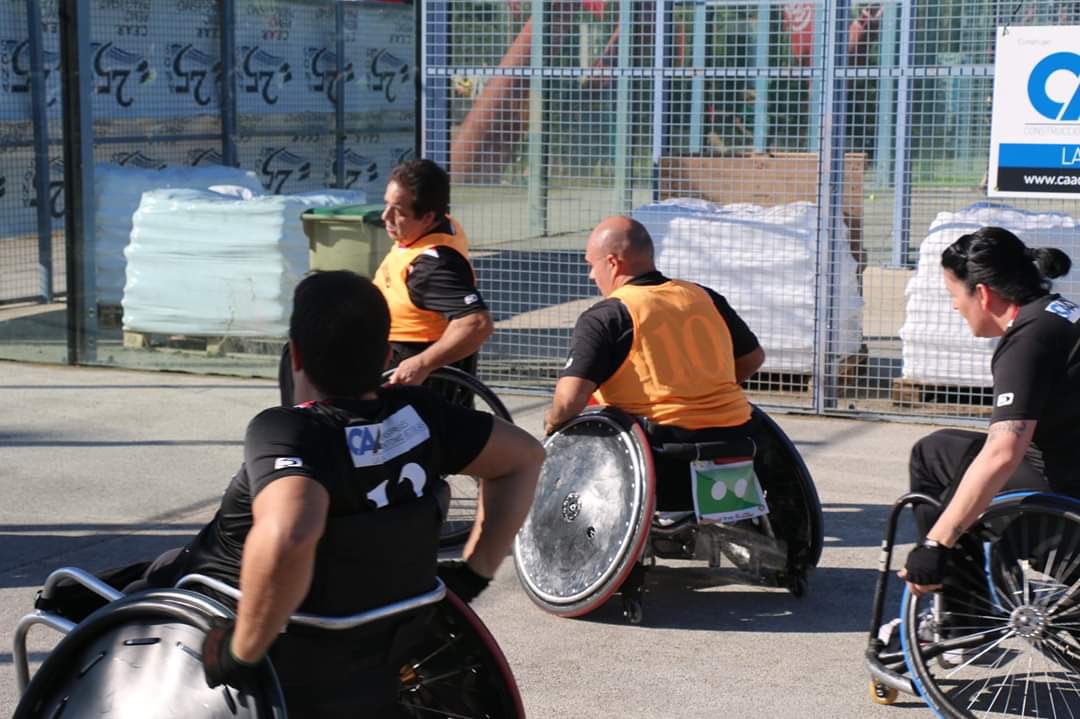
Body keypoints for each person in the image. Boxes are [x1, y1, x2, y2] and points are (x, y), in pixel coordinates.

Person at [146, 270, 541, 716]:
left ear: (294, 354)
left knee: (111, 588)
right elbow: (524, 458)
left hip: (254, 634)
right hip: (380, 640)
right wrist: (472, 576)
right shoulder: (421, 413)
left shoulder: (289, 431)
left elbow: (292, 534)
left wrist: (242, 651)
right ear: (388, 354)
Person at [543, 216, 765, 509]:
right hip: (737, 442)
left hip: (660, 458)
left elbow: (570, 399)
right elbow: (753, 358)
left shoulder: (607, 316)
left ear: (612, 263)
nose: (590, 276)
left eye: (591, 264)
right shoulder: (703, 296)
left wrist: (551, 423)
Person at [902, 227, 1078, 597]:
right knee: (945, 450)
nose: (954, 306)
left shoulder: (1027, 342)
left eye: (954, 294)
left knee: (934, 457)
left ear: (981, 293)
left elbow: (1003, 452)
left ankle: (959, 621)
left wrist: (936, 543)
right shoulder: (1059, 312)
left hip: (1065, 499)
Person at [279, 159, 493, 404]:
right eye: (386, 204)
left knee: (299, 355)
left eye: (399, 211)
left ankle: (301, 426)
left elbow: (476, 323)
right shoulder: (440, 227)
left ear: (427, 217)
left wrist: (422, 364)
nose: (385, 216)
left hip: (400, 375)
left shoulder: (432, 267)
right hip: (379, 350)